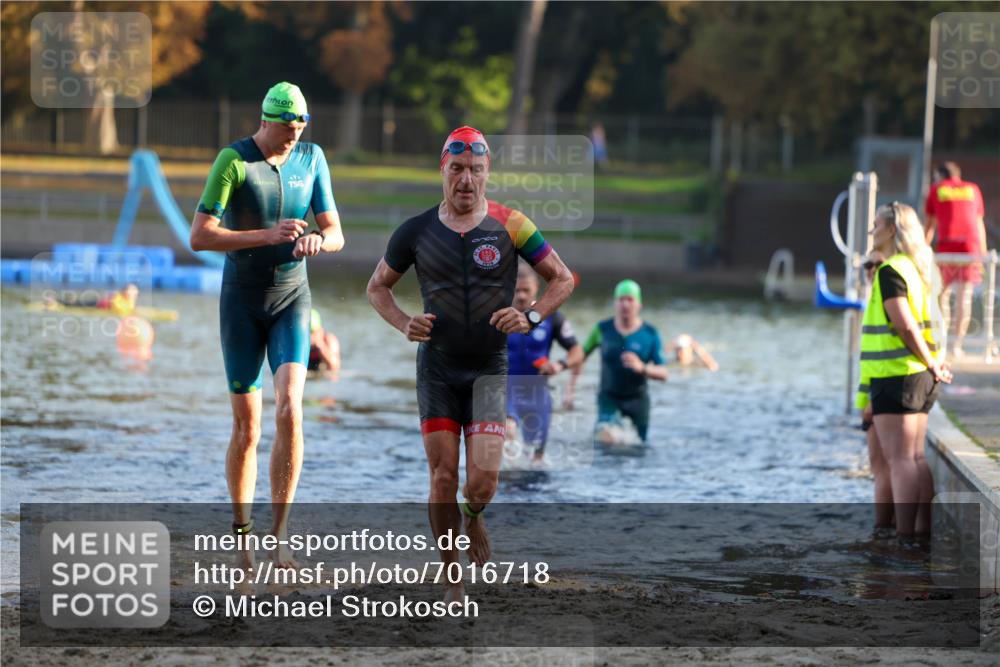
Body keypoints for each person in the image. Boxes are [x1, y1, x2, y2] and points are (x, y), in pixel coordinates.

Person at [366, 126, 574, 601]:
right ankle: (451, 576)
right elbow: (377, 287)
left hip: (488, 367)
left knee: (482, 482)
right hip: (437, 368)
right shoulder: (416, 231)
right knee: (442, 476)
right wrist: (403, 323)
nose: (466, 180)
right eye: (457, 169)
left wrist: (531, 315)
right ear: (443, 169)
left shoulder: (511, 225)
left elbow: (562, 278)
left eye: (475, 171)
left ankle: (475, 518)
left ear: (487, 173)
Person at [190, 82, 345, 570]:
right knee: (248, 427)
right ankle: (242, 538)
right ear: (267, 120)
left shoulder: (312, 159)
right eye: (286, 129)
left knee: (291, 411)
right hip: (241, 303)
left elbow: (337, 231)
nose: (293, 138)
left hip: (292, 299)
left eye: (301, 129)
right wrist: (267, 235)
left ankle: (280, 535)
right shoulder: (233, 161)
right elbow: (199, 236)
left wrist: (321, 240)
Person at [860, 202, 951, 543]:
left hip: (897, 375)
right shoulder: (917, 267)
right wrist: (933, 363)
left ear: (892, 229)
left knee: (899, 460)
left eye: (876, 226)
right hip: (918, 377)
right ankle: (921, 534)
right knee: (914, 457)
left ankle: (903, 540)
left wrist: (931, 362)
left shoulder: (891, 271)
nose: (872, 232)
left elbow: (906, 326)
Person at [506, 261, 584, 463]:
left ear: (536, 289)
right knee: (508, 430)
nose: (521, 295)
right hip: (505, 391)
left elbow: (577, 352)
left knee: (535, 460)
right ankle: (504, 480)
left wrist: (559, 365)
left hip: (538, 395)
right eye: (517, 290)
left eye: (526, 290)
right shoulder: (499, 317)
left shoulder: (552, 318)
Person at [581, 279, 668, 444]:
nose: (625, 304)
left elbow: (664, 373)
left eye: (630, 299)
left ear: (639, 304)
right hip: (609, 397)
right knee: (607, 438)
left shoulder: (650, 334)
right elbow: (579, 356)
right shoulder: (602, 329)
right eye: (621, 299)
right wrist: (571, 388)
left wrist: (642, 368)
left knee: (638, 447)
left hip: (638, 400)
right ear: (615, 303)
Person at [923, 161, 988, 358]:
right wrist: (982, 254)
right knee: (964, 298)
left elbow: (929, 226)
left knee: (939, 295)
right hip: (971, 248)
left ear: (940, 176)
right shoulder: (973, 189)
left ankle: (942, 341)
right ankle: (957, 346)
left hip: (947, 247)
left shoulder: (937, 189)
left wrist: (920, 250)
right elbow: (978, 224)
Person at [857, 251, 893, 537]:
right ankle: (896, 529)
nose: (870, 270)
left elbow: (879, 354)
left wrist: (869, 400)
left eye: (875, 264)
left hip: (882, 391)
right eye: (866, 265)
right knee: (895, 464)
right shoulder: (876, 299)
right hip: (876, 390)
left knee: (882, 467)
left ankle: (882, 532)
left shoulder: (885, 299)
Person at [308, 308, 341, 379]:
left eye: (312, 332)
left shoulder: (329, 339)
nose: (310, 336)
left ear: (320, 329)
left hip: (323, 375)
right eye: (308, 332)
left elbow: (334, 366)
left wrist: (320, 346)